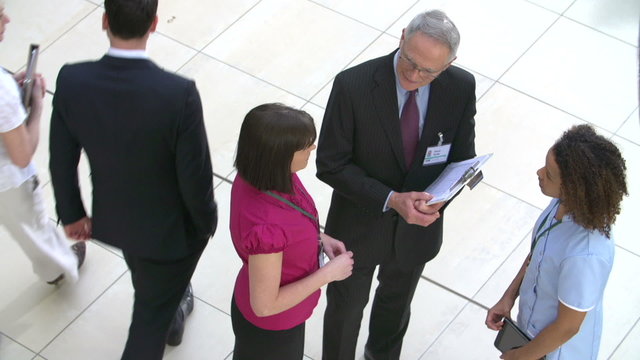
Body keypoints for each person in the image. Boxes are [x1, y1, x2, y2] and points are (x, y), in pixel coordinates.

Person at [49, 0, 217, 358]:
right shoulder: (178, 93)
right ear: (154, 24)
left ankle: (171, 312)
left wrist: (73, 213)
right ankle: (167, 316)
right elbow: (195, 174)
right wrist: (205, 224)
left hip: (117, 221)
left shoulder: (72, 80)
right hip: (170, 233)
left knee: (149, 282)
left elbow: (61, 159)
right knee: (147, 324)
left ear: (105, 20)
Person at [316, 9, 477, 360]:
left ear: (448, 65)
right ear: (402, 37)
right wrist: (391, 199)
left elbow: (461, 158)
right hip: (357, 228)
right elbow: (330, 164)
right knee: (345, 313)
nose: (414, 74)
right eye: (409, 61)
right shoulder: (353, 85)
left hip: (416, 230)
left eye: (428, 71)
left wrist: (437, 201)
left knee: (394, 311)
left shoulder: (460, 88)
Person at [486, 124, 628, 360]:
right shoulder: (561, 204)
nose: (539, 173)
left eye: (549, 174)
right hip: (528, 337)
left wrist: (519, 357)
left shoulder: (586, 255)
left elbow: (567, 327)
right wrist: (509, 297)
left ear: (575, 189)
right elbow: (537, 255)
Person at [230, 103, 354, 360]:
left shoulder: (263, 174)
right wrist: (328, 274)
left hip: (278, 315)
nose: (313, 148)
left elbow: (291, 221)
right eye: (305, 145)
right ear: (280, 154)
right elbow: (265, 306)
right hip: (272, 331)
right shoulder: (266, 228)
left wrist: (319, 239)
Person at [0, 4, 85, 286]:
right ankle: (58, 268)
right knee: (34, 227)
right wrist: (35, 106)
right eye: (0, 14)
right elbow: (21, 155)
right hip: (8, 184)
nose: (8, 19)